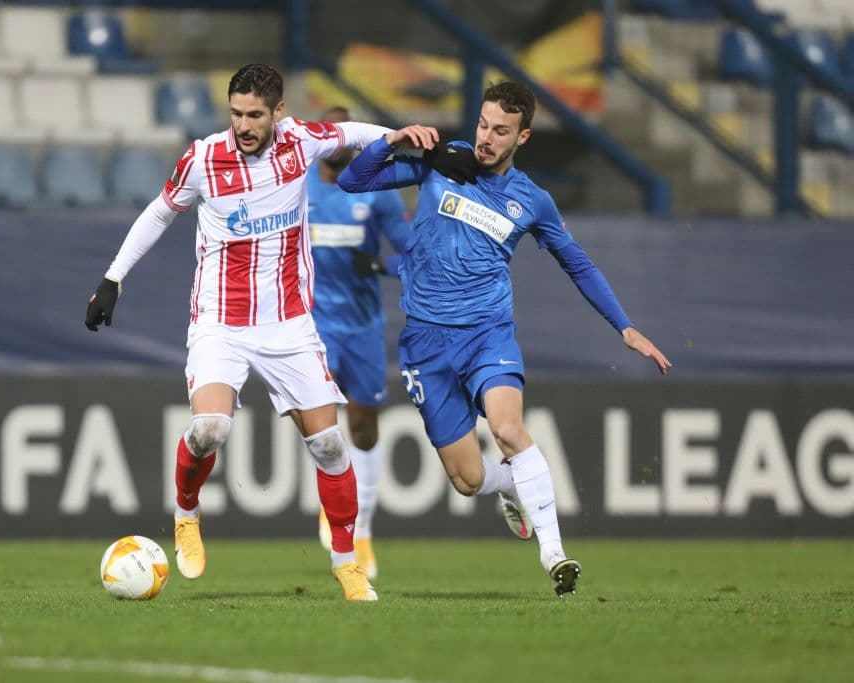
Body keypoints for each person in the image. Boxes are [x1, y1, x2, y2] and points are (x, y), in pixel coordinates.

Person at [84, 64, 466, 602]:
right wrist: (112, 279)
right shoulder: (203, 158)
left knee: (332, 445)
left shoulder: (300, 142)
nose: (243, 125)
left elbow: (352, 133)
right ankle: (186, 514)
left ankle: (346, 563)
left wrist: (397, 136)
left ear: (278, 113)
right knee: (208, 430)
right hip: (220, 321)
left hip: (288, 324)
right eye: (236, 113)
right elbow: (159, 212)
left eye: (255, 115)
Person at [337, 80, 671, 597]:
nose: (487, 138)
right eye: (483, 125)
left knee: (511, 430)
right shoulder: (441, 162)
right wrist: (393, 140)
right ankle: (513, 485)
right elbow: (353, 182)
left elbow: (576, 262)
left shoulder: (532, 201)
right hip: (425, 343)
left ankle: (554, 554)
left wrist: (624, 326)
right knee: (468, 480)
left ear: (524, 137)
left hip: (487, 333)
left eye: (501, 131)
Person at [308, 106, 412, 580]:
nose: (336, 149)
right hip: (311, 326)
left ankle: (364, 526)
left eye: (343, 142)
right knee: (321, 424)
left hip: (364, 326)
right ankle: (340, 514)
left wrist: (381, 267)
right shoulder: (296, 184)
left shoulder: (377, 190)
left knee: (364, 428)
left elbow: (413, 251)